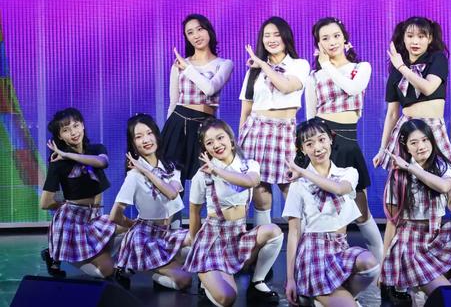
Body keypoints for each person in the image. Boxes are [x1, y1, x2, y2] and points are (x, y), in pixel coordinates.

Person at [305, 17, 383, 264]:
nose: (332, 42)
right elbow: (310, 118)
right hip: (321, 144)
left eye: (336, 36)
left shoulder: (361, 68)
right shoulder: (314, 76)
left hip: (347, 141)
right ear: (318, 43)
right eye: (325, 38)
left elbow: (352, 89)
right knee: (325, 212)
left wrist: (326, 65)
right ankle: (327, 265)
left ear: (345, 39)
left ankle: (381, 268)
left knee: (361, 211)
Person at [380, 119, 451, 298]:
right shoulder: (398, 177)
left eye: (425, 140)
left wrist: (411, 168)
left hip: (436, 238)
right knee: (449, 297)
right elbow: (392, 223)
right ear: (406, 147)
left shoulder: (442, 166)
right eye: (414, 143)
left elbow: (444, 186)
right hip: (410, 246)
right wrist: (384, 266)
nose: (421, 146)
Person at [184, 118, 282, 306]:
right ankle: (207, 277)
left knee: (274, 231)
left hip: (238, 236)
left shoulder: (249, 165)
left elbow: (251, 181)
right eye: (209, 143)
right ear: (205, 149)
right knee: (227, 298)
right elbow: (194, 213)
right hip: (212, 242)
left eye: (220, 138)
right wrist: (196, 252)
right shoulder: (201, 176)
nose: (216, 145)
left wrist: (217, 171)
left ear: (231, 139)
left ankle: (257, 281)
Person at [283, 118, 379, 306]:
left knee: (370, 263)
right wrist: (290, 279)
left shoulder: (348, 173)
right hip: (313, 254)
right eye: (309, 144)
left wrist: (303, 172)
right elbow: (294, 233)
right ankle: (326, 298)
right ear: (302, 149)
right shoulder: (298, 185)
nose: (317, 148)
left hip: (339, 248)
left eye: (321, 139)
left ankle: (333, 299)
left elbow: (340, 189)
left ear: (330, 139)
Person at [239, 16, 310, 225]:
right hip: (256, 130)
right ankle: (266, 240)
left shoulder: (299, 64)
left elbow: (286, 87)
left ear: (286, 37)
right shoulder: (253, 71)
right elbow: (246, 109)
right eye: (266, 35)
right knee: (260, 190)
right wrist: (239, 142)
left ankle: (302, 241)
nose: (271, 39)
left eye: (276, 34)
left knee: (291, 187)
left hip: (285, 131)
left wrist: (262, 64)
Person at [110, 114, 191, 290]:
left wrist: (146, 171)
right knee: (185, 281)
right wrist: (132, 225)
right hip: (146, 236)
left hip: (167, 233)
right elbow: (114, 215)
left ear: (156, 135)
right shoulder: (133, 176)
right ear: (133, 143)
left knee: (198, 247)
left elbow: (171, 193)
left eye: (149, 133)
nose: (146, 140)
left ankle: (140, 265)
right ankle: (134, 266)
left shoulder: (171, 166)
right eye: (139, 136)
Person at [40, 108, 116, 279]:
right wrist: (69, 206)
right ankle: (58, 254)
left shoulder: (96, 149)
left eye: (76, 125)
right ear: (60, 136)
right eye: (66, 130)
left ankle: (57, 253)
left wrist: (67, 155)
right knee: (107, 271)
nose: (73, 132)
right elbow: (45, 203)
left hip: (94, 216)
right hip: (72, 222)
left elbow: (102, 162)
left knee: (129, 230)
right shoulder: (57, 162)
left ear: (83, 125)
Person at [373, 17, 451, 171]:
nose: (415, 41)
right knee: (404, 178)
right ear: (403, 38)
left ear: (429, 38)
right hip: (406, 129)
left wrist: (402, 68)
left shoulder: (437, 58)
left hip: (432, 128)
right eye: (410, 36)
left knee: (443, 174)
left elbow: (428, 88)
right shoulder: (397, 69)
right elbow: (392, 113)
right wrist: (382, 149)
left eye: (421, 36)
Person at [161, 13, 233, 185]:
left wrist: (187, 69)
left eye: (200, 29)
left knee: (206, 179)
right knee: (173, 180)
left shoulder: (224, 64)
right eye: (190, 32)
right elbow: (173, 102)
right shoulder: (179, 65)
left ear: (208, 31)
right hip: (178, 122)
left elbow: (210, 89)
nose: (196, 35)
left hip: (206, 126)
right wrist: (168, 132)